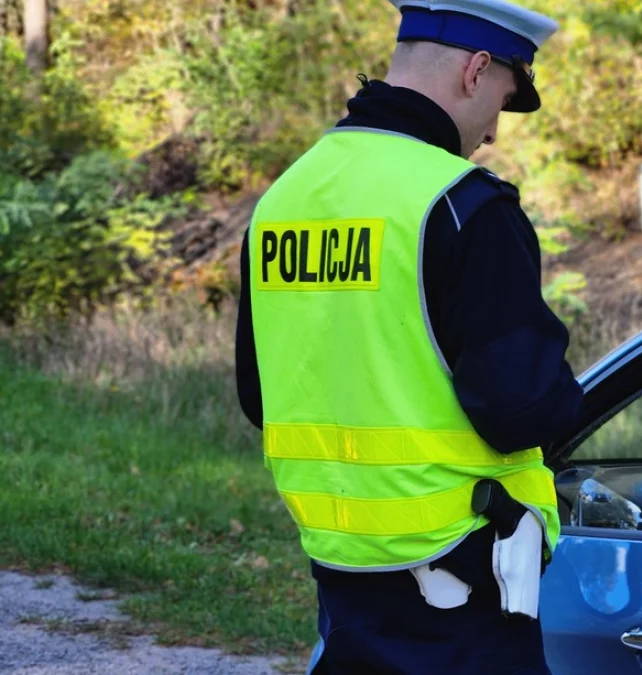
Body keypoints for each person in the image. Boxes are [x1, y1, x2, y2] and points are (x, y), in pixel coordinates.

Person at [233, 1, 584, 673]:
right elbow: (522, 408)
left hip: (343, 574)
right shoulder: (463, 203)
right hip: (464, 580)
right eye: (503, 101)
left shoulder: (284, 199)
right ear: (476, 70)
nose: (492, 133)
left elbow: (260, 397)